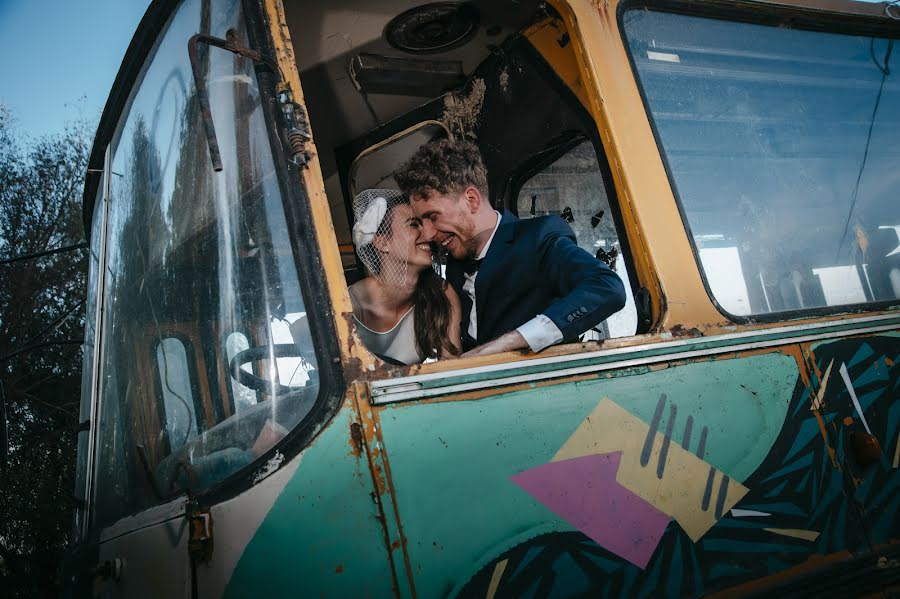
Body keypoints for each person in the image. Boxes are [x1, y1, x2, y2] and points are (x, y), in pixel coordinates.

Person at [394, 140, 626, 357]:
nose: (427, 234)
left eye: (433, 217)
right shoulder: (453, 266)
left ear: (472, 200)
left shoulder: (538, 237)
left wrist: (512, 340)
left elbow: (607, 288)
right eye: (420, 222)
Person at [348, 189, 462, 364]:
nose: (429, 235)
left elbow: (453, 365)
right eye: (414, 225)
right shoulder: (346, 303)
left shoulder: (442, 293)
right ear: (382, 242)